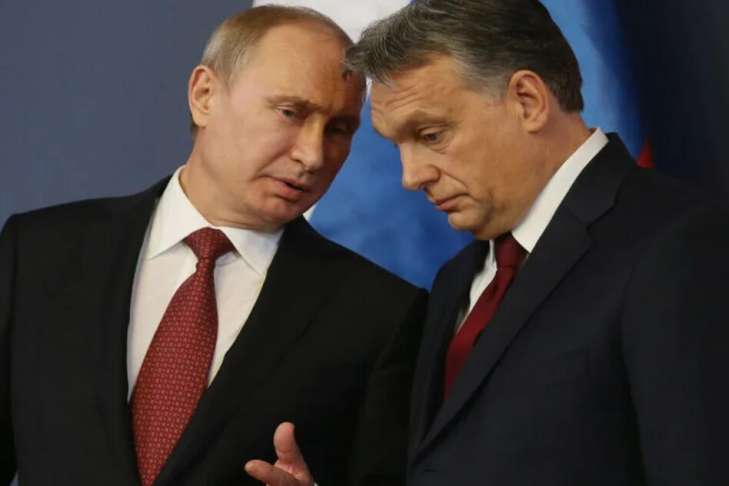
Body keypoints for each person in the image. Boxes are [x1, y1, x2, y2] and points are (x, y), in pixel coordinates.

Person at [253, 0, 729, 484]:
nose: (411, 176)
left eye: (431, 135)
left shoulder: (676, 244)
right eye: (398, 146)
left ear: (527, 100)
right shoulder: (456, 279)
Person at [0, 6, 426, 486]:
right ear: (204, 95)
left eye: (339, 129)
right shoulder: (39, 253)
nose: (312, 154)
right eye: (290, 113)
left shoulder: (381, 314)